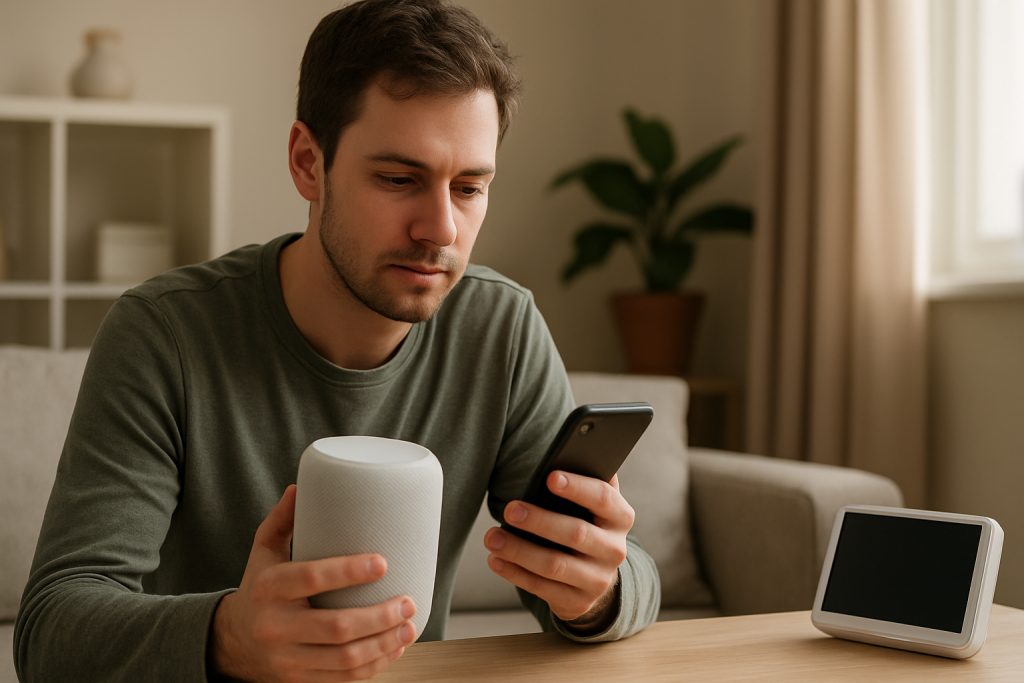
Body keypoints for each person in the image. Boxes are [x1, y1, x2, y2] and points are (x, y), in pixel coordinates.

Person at [14, 1, 660, 680]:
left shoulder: (500, 328)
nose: (440, 228)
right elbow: (51, 630)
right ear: (307, 163)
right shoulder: (163, 334)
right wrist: (228, 634)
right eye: (398, 179)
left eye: (469, 186)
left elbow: (626, 571)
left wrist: (600, 589)